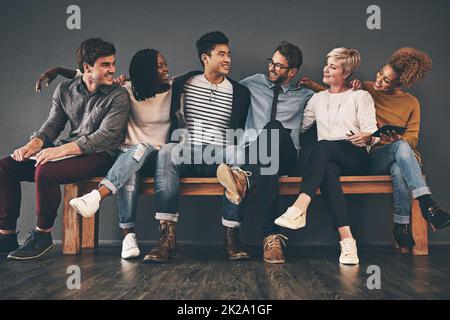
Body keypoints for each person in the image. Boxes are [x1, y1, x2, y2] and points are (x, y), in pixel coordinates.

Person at [301, 47, 450, 250]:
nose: (379, 80)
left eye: (387, 80)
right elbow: (337, 94)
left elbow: (412, 137)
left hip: (397, 154)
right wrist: (312, 85)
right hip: (372, 156)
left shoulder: (411, 103)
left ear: (400, 84)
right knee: (399, 154)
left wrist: (398, 137)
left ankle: (401, 226)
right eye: (381, 73)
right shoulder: (367, 88)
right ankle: (426, 205)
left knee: (400, 159)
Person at [36, 49, 176, 259]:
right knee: (130, 170)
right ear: (145, 71)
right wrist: (57, 71)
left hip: (157, 157)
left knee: (142, 146)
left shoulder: (174, 89)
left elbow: (195, 76)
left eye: (165, 64)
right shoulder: (125, 89)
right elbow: (85, 75)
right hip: (126, 158)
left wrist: (57, 69)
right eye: (159, 66)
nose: (165, 69)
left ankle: (96, 196)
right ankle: (129, 238)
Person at [0, 38, 130, 260]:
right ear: (87, 67)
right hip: (70, 151)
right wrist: (33, 144)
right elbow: (53, 125)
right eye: (105, 65)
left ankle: (43, 235)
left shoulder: (118, 95)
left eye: (113, 63)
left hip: (100, 155)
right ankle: (6, 236)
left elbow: (104, 137)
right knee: (5, 166)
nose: (113, 70)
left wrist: (59, 151)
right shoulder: (65, 89)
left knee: (46, 170)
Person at [145, 31, 251, 262]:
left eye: (229, 54)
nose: (228, 59)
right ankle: (167, 238)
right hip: (188, 152)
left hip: (220, 156)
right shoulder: (183, 83)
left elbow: (241, 131)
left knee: (238, 152)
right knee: (167, 151)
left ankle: (231, 238)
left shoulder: (240, 92)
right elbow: (144, 84)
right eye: (221, 54)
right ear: (205, 58)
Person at [274, 47, 379, 265]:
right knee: (328, 171)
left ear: (346, 72)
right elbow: (300, 128)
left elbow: (372, 131)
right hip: (329, 162)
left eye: (333, 67)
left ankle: (300, 206)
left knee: (323, 147)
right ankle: (348, 242)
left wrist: (366, 137)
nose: (326, 69)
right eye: (326, 64)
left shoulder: (361, 96)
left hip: (355, 157)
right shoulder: (317, 99)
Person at [216, 41, 314, 263]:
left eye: (279, 66)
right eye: (271, 62)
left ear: (292, 72)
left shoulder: (305, 94)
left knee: (274, 129)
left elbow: (335, 96)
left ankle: (243, 177)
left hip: (288, 155)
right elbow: (218, 83)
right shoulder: (252, 83)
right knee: (267, 164)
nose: (272, 68)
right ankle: (271, 237)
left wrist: (316, 86)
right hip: (256, 154)